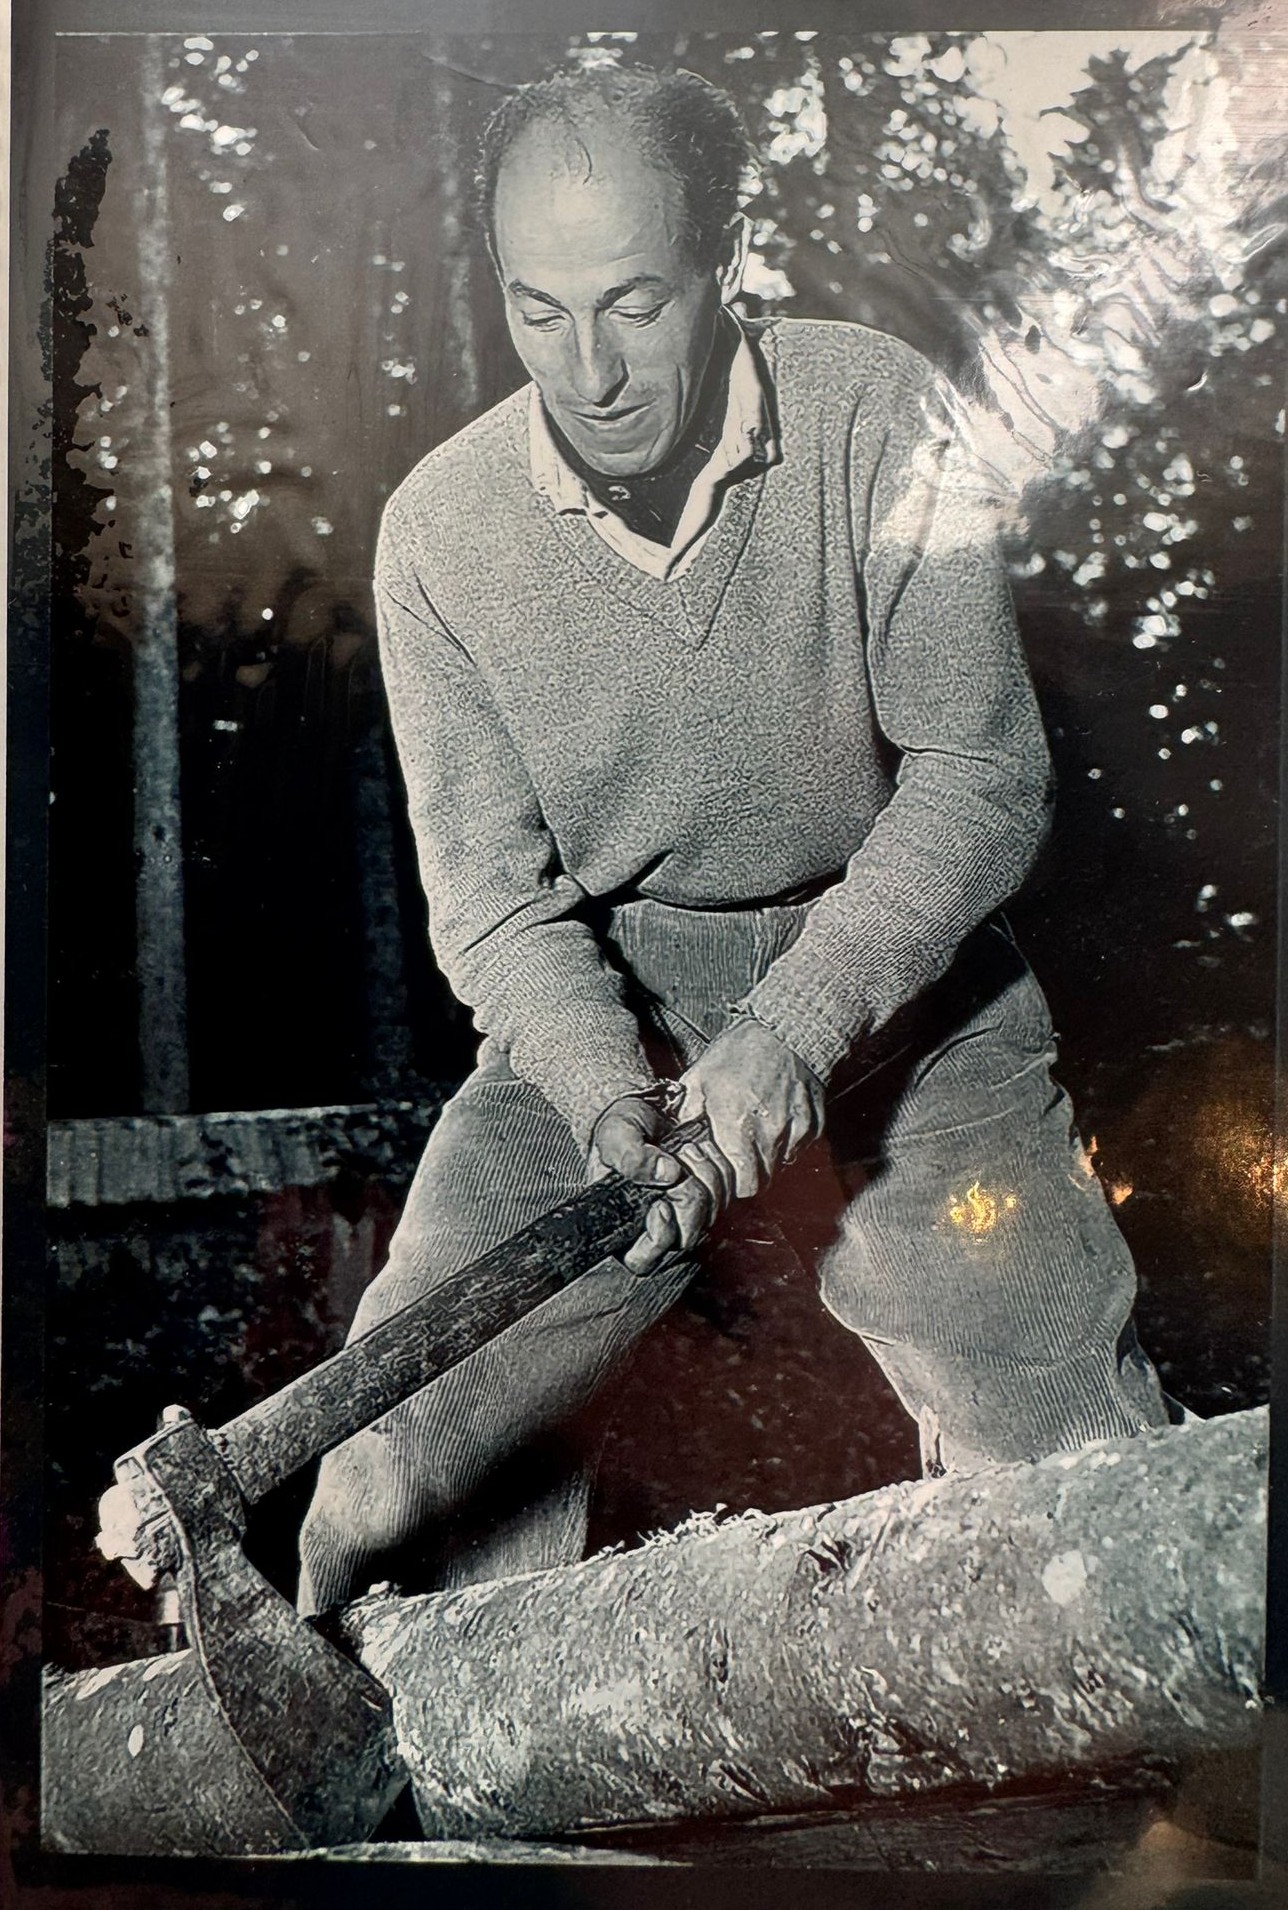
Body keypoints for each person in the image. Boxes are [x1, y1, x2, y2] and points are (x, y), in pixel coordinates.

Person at [297, 63, 1169, 1617]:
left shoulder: (879, 416)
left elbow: (980, 775)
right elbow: (494, 903)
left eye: (635, 302)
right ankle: (426, 1745)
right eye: (540, 310)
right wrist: (600, 1089)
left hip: (909, 979)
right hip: (618, 995)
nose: (590, 370)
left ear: (725, 260)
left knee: (1081, 1483)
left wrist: (795, 1026)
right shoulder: (440, 531)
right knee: (390, 1482)